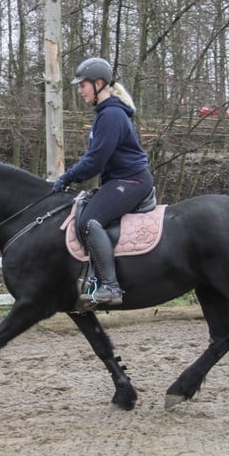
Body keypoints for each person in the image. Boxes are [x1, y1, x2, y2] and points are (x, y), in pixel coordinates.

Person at [51, 57, 154, 306]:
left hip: (131, 181)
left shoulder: (111, 116)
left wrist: (67, 177)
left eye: (82, 85)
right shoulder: (104, 115)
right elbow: (95, 158)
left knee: (90, 220)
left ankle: (111, 288)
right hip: (120, 180)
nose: (79, 90)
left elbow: (95, 161)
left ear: (98, 84)